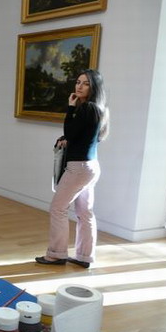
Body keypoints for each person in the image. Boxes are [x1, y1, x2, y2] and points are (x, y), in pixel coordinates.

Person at [35, 69, 110, 269]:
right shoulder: (99, 109)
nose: (79, 86)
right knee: (85, 213)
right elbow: (84, 137)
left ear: (94, 87)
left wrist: (70, 108)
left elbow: (69, 131)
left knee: (58, 208)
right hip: (91, 166)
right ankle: (85, 256)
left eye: (86, 83)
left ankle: (56, 255)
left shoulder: (86, 108)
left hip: (79, 167)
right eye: (78, 82)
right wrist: (67, 139)